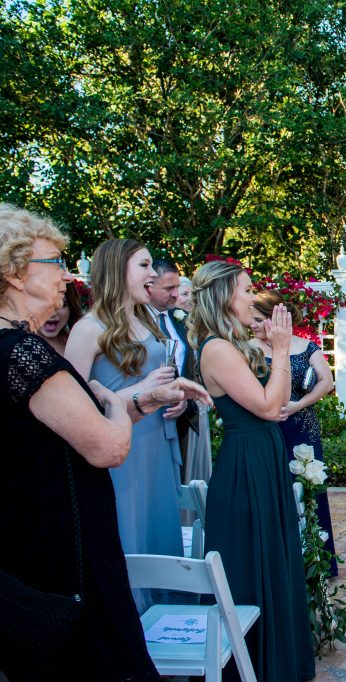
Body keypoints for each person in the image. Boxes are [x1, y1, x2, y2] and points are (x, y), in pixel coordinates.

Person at [0, 204, 210, 680]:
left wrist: (148, 400)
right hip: (64, 531)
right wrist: (124, 402)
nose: (65, 275)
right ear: (13, 273)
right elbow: (105, 444)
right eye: (52, 262)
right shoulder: (23, 351)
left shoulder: (17, 346)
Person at [189, 259, 315, 681]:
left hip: (263, 454)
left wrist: (271, 356)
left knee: (272, 555)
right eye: (245, 290)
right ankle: (254, 664)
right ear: (223, 295)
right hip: (245, 466)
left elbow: (275, 405)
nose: (251, 297)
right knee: (251, 560)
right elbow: (267, 405)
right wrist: (280, 350)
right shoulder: (216, 348)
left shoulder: (232, 343)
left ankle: (275, 660)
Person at [65, 239, 188, 607]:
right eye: (144, 265)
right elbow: (73, 401)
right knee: (128, 533)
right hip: (123, 449)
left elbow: (156, 381)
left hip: (159, 442)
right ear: (117, 271)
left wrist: (174, 400)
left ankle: (165, 621)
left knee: (160, 530)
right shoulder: (89, 329)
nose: (153, 273)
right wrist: (141, 394)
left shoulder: (146, 319)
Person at [252, 290, 338, 576]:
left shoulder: (307, 347)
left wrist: (298, 405)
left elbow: (326, 381)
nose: (252, 325)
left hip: (302, 427)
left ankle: (317, 560)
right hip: (266, 427)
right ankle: (279, 562)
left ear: (275, 319)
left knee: (309, 490)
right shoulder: (246, 349)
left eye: (257, 319)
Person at [148, 258, 201, 473]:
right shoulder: (133, 321)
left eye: (178, 287)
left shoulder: (181, 319)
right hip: (146, 414)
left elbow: (189, 366)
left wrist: (185, 401)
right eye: (169, 288)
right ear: (149, 286)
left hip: (180, 416)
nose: (176, 294)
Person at [36, 281, 85, 356]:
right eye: (45, 304)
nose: (53, 314)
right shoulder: (18, 346)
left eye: (61, 304)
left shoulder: (80, 341)